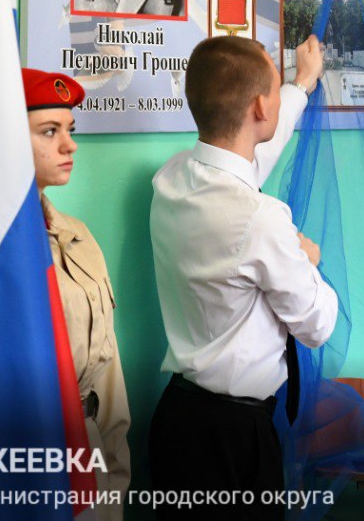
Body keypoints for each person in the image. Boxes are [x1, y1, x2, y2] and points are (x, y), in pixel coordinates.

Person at [147, 35, 336, 519]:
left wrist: (299, 85)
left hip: (176, 426)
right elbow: (316, 326)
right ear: (258, 105)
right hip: (235, 441)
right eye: (273, 91)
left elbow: (245, 163)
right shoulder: (263, 219)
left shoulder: (172, 178)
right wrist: (308, 260)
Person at [22, 68, 131, 518]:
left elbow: (108, 374)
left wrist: (116, 479)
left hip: (89, 451)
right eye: (49, 132)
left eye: (70, 130)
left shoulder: (77, 236)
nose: (71, 145)